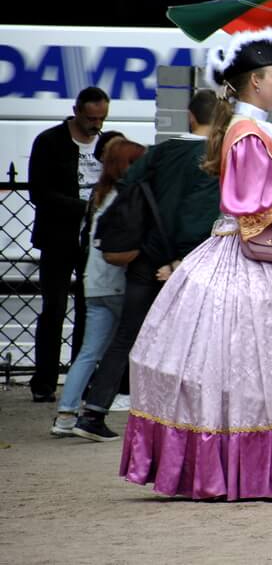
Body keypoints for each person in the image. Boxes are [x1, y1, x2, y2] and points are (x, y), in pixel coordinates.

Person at [117, 30, 272, 500]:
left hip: (257, 249)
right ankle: (263, 467)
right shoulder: (248, 131)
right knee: (265, 358)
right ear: (252, 83)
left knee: (264, 360)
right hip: (253, 254)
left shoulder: (251, 128)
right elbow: (249, 202)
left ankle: (269, 467)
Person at [71, 90, 222, 442]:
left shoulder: (160, 151)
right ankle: (182, 417)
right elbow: (203, 215)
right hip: (190, 261)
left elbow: (127, 186)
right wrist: (182, 258)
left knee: (127, 335)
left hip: (145, 257)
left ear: (189, 116)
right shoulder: (216, 158)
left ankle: (93, 411)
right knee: (192, 338)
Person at [50, 139, 147, 437]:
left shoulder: (99, 194)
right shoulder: (128, 196)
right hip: (119, 282)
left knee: (89, 351)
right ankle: (105, 407)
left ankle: (66, 415)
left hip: (94, 282)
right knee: (129, 347)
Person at [27, 86, 110, 402]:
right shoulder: (50, 142)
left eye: (101, 118)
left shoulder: (105, 142)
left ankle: (79, 379)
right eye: (91, 118)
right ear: (76, 111)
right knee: (54, 309)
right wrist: (83, 207)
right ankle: (44, 381)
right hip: (59, 236)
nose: (96, 124)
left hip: (93, 239)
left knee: (89, 311)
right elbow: (40, 192)